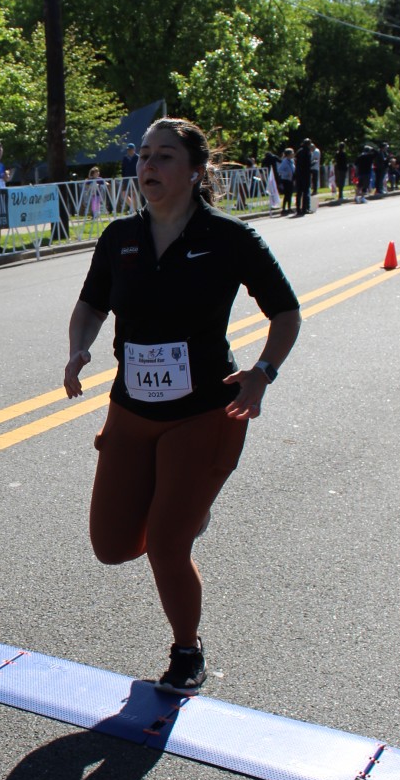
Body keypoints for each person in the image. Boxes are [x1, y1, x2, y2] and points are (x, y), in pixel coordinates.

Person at [63, 117, 301, 692]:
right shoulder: (119, 237)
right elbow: (91, 305)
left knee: (167, 546)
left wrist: (263, 373)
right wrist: (78, 349)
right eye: (144, 155)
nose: (148, 165)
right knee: (112, 547)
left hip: (204, 413)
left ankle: (187, 651)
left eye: (165, 156)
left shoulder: (230, 238)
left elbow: (286, 312)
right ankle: (186, 511)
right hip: (131, 409)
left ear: (196, 171)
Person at [294, 138, 313, 216]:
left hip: (298, 173)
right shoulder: (307, 152)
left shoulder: (299, 151)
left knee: (299, 192)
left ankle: (298, 209)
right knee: (305, 192)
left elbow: (296, 161)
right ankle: (305, 208)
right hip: (305, 174)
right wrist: (313, 163)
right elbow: (308, 164)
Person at [277, 147, 295, 213]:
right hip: (286, 179)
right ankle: (284, 208)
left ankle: (289, 207)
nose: (293, 154)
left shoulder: (292, 161)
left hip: (291, 179)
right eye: (292, 153)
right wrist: (287, 173)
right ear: (288, 154)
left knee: (290, 194)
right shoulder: (285, 161)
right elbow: (279, 170)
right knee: (287, 194)